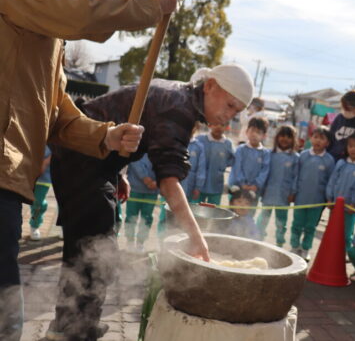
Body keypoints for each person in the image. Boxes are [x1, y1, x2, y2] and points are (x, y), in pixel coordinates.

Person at [0, 0, 185, 340]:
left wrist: (108, 137)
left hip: (7, 182)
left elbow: (60, 119)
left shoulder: (50, 50)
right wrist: (153, 5)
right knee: (4, 313)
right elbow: (85, 9)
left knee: (5, 311)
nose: (91, 15)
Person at [46, 64, 253, 341]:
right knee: (91, 251)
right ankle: (71, 331)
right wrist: (197, 238)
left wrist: (118, 171)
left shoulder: (181, 96)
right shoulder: (179, 107)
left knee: (95, 247)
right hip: (81, 159)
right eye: (229, 105)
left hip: (93, 161)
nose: (228, 117)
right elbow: (169, 181)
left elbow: (126, 121)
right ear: (210, 85)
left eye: (236, 112)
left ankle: (79, 323)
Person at [290, 127, 335, 260]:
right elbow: (296, 176)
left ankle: (305, 248)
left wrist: (329, 198)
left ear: (327, 142)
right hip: (300, 198)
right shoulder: (303, 155)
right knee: (297, 224)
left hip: (317, 201)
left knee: (310, 227)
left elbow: (331, 181)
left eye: (322, 138)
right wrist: (293, 192)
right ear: (311, 138)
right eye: (315, 137)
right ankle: (294, 246)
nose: (318, 141)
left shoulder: (329, 160)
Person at [257, 125, 299, 247]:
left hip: (284, 195)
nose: (284, 139)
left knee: (281, 222)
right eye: (282, 135)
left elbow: (296, 177)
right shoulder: (269, 154)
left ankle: (279, 243)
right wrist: (262, 189)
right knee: (263, 218)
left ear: (293, 139)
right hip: (269, 192)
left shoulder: (295, 158)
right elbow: (264, 173)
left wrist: (293, 192)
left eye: (288, 136)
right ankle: (258, 239)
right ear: (276, 137)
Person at [325, 133, 355, 250]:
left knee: (346, 234)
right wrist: (329, 198)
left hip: (350, 208)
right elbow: (333, 181)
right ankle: (330, 254)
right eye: (350, 146)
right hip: (335, 206)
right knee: (332, 231)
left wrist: (354, 204)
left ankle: (344, 255)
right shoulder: (341, 163)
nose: (353, 149)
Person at [229, 117, 271, 203]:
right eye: (252, 131)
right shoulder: (240, 149)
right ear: (247, 131)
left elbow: (264, 171)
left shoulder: (265, 153)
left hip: (254, 190)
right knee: (234, 210)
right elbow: (237, 168)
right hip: (237, 187)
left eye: (258, 132)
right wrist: (242, 183)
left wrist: (256, 185)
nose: (254, 134)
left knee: (250, 213)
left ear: (264, 136)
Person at [124, 154, 159, 253]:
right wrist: (145, 178)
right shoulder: (140, 145)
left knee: (147, 218)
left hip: (152, 191)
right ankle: (129, 242)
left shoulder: (160, 147)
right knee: (131, 216)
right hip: (135, 189)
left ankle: (140, 243)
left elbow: (164, 164)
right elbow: (135, 161)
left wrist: (158, 181)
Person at [196, 123, 234, 205]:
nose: (219, 127)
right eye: (216, 123)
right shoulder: (200, 139)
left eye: (222, 125)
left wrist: (221, 167)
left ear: (226, 127)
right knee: (195, 208)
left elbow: (231, 160)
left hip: (216, 184)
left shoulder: (228, 144)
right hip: (199, 185)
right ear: (210, 125)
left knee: (213, 211)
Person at [29, 146, 53, 241]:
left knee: (64, 202)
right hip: (35, 175)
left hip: (51, 171)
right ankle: (34, 224)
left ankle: (65, 226)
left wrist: (46, 161)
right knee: (38, 203)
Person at [180, 124, 207, 204]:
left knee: (186, 208)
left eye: (192, 125)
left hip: (190, 185)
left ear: (197, 127)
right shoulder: (174, 142)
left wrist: (198, 187)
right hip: (173, 182)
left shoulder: (199, 147)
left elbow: (201, 169)